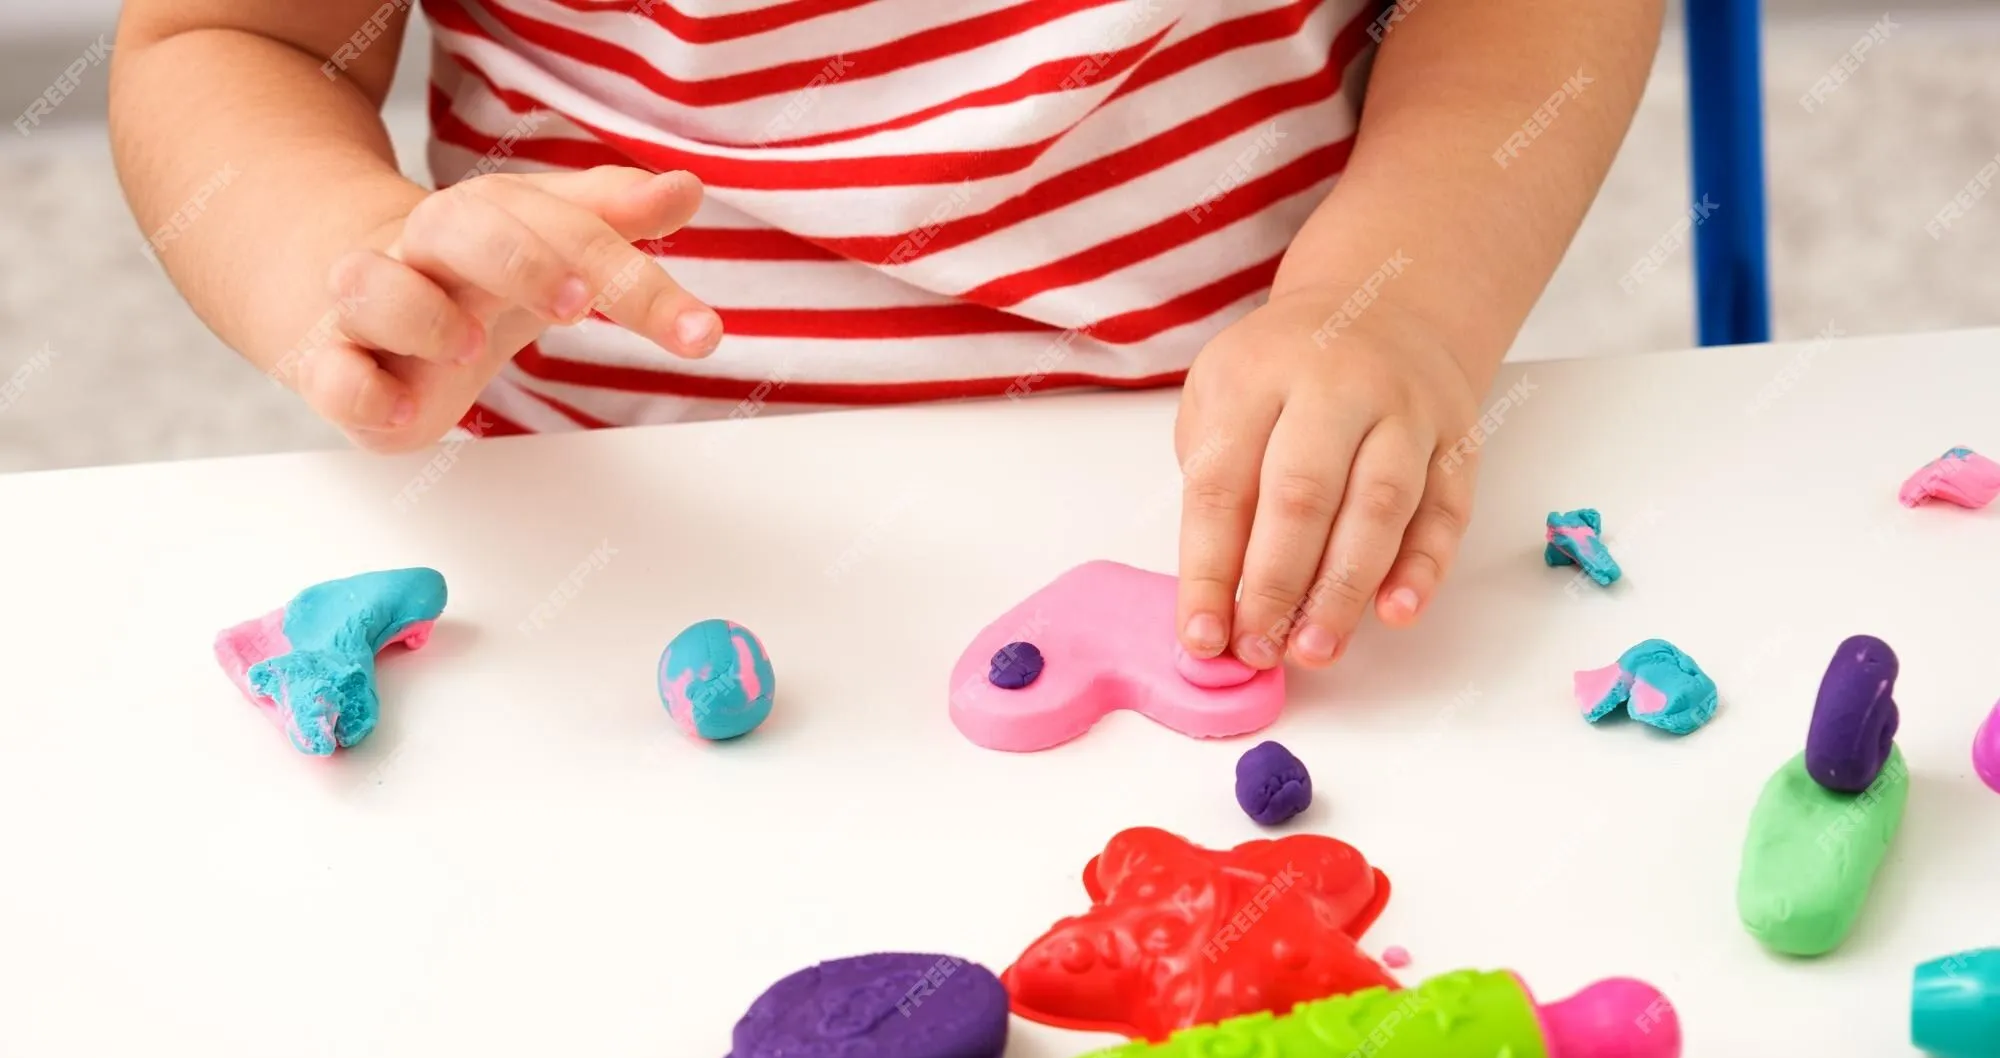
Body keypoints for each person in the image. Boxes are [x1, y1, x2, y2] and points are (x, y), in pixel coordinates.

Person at [110, 0, 1663, 671]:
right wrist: (346, 263)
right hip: (605, 550)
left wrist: (1390, 303)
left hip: (1236, 511)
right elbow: (230, 41)